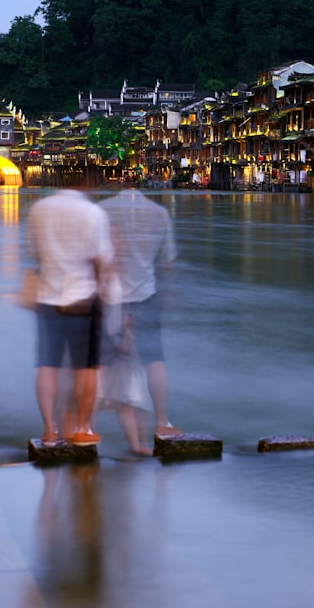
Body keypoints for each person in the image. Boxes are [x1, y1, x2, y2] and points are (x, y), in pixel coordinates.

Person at [27, 185, 115, 447]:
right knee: (86, 368)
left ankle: (49, 431)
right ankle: (82, 429)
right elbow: (101, 258)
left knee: (47, 365)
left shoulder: (38, 210)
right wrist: (104, 291)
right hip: (82, 298)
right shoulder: (92, 212)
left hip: (47, 297)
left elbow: (33, 252)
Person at [98, 190, 181, 452]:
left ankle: (83, 426)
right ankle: (161, 421)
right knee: (154, 360)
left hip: (108, 297)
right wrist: (168, 295)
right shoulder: (159, 213)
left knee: (96, 364)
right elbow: (167, 262)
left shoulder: (101, 210)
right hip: (145, 295)